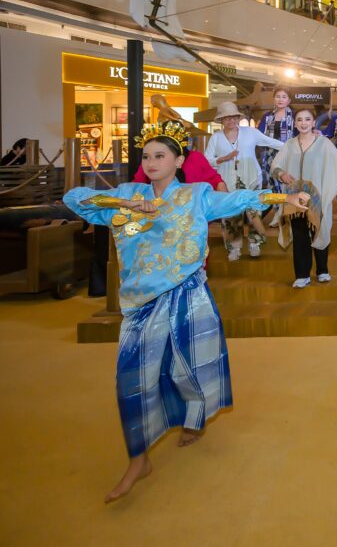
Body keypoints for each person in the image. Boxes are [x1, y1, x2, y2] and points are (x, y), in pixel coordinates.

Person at [62, 121, 308, 502]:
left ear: (179, 161)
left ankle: (193, 420)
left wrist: (284, 198)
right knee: (132, 378)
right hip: (141, 303)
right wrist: (122, 205)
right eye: (146, 156)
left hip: (187, 294)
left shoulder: (196, 194)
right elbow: (75, 198)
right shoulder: (128, 193)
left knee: (189, 366)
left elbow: (239, 200)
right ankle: (139, 458)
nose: (151, 162)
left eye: (160, 156)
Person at [272, 109, 337, 288]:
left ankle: (322, 270)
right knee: (300, 235)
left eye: (307, 119)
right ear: (295, 123)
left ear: (313, 122)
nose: (303, 123)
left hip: (318, 197)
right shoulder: (289, 145)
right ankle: (302, 274)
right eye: (299, 119)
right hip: (295, 198)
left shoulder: (323, 143)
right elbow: (275, 165)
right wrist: (281, 174)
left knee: (321, 231)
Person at [205, 101, 284, 261]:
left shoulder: (251, 133)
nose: (231, 120)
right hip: (227, 182)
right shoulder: (216, 137)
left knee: (254, 211)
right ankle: (234, 247)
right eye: (227, 118)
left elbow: (272, 143)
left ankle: (255, 243)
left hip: (252, 178)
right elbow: (207, 160)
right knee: (231, 214)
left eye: (234, 117)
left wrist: (295, 145)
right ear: (221, 120)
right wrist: (223, 158)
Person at [257, 88, 295, 192]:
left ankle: (289, 201)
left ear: (289, 100)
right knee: (272, 181)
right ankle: (276, 202)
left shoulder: (294, 116)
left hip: (289, 154)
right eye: (278, 96)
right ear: (274, 99)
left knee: (288, 182)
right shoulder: (267, 116)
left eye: (284, 97)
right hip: (270, 155)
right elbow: (260, 135)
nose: (280, 99)